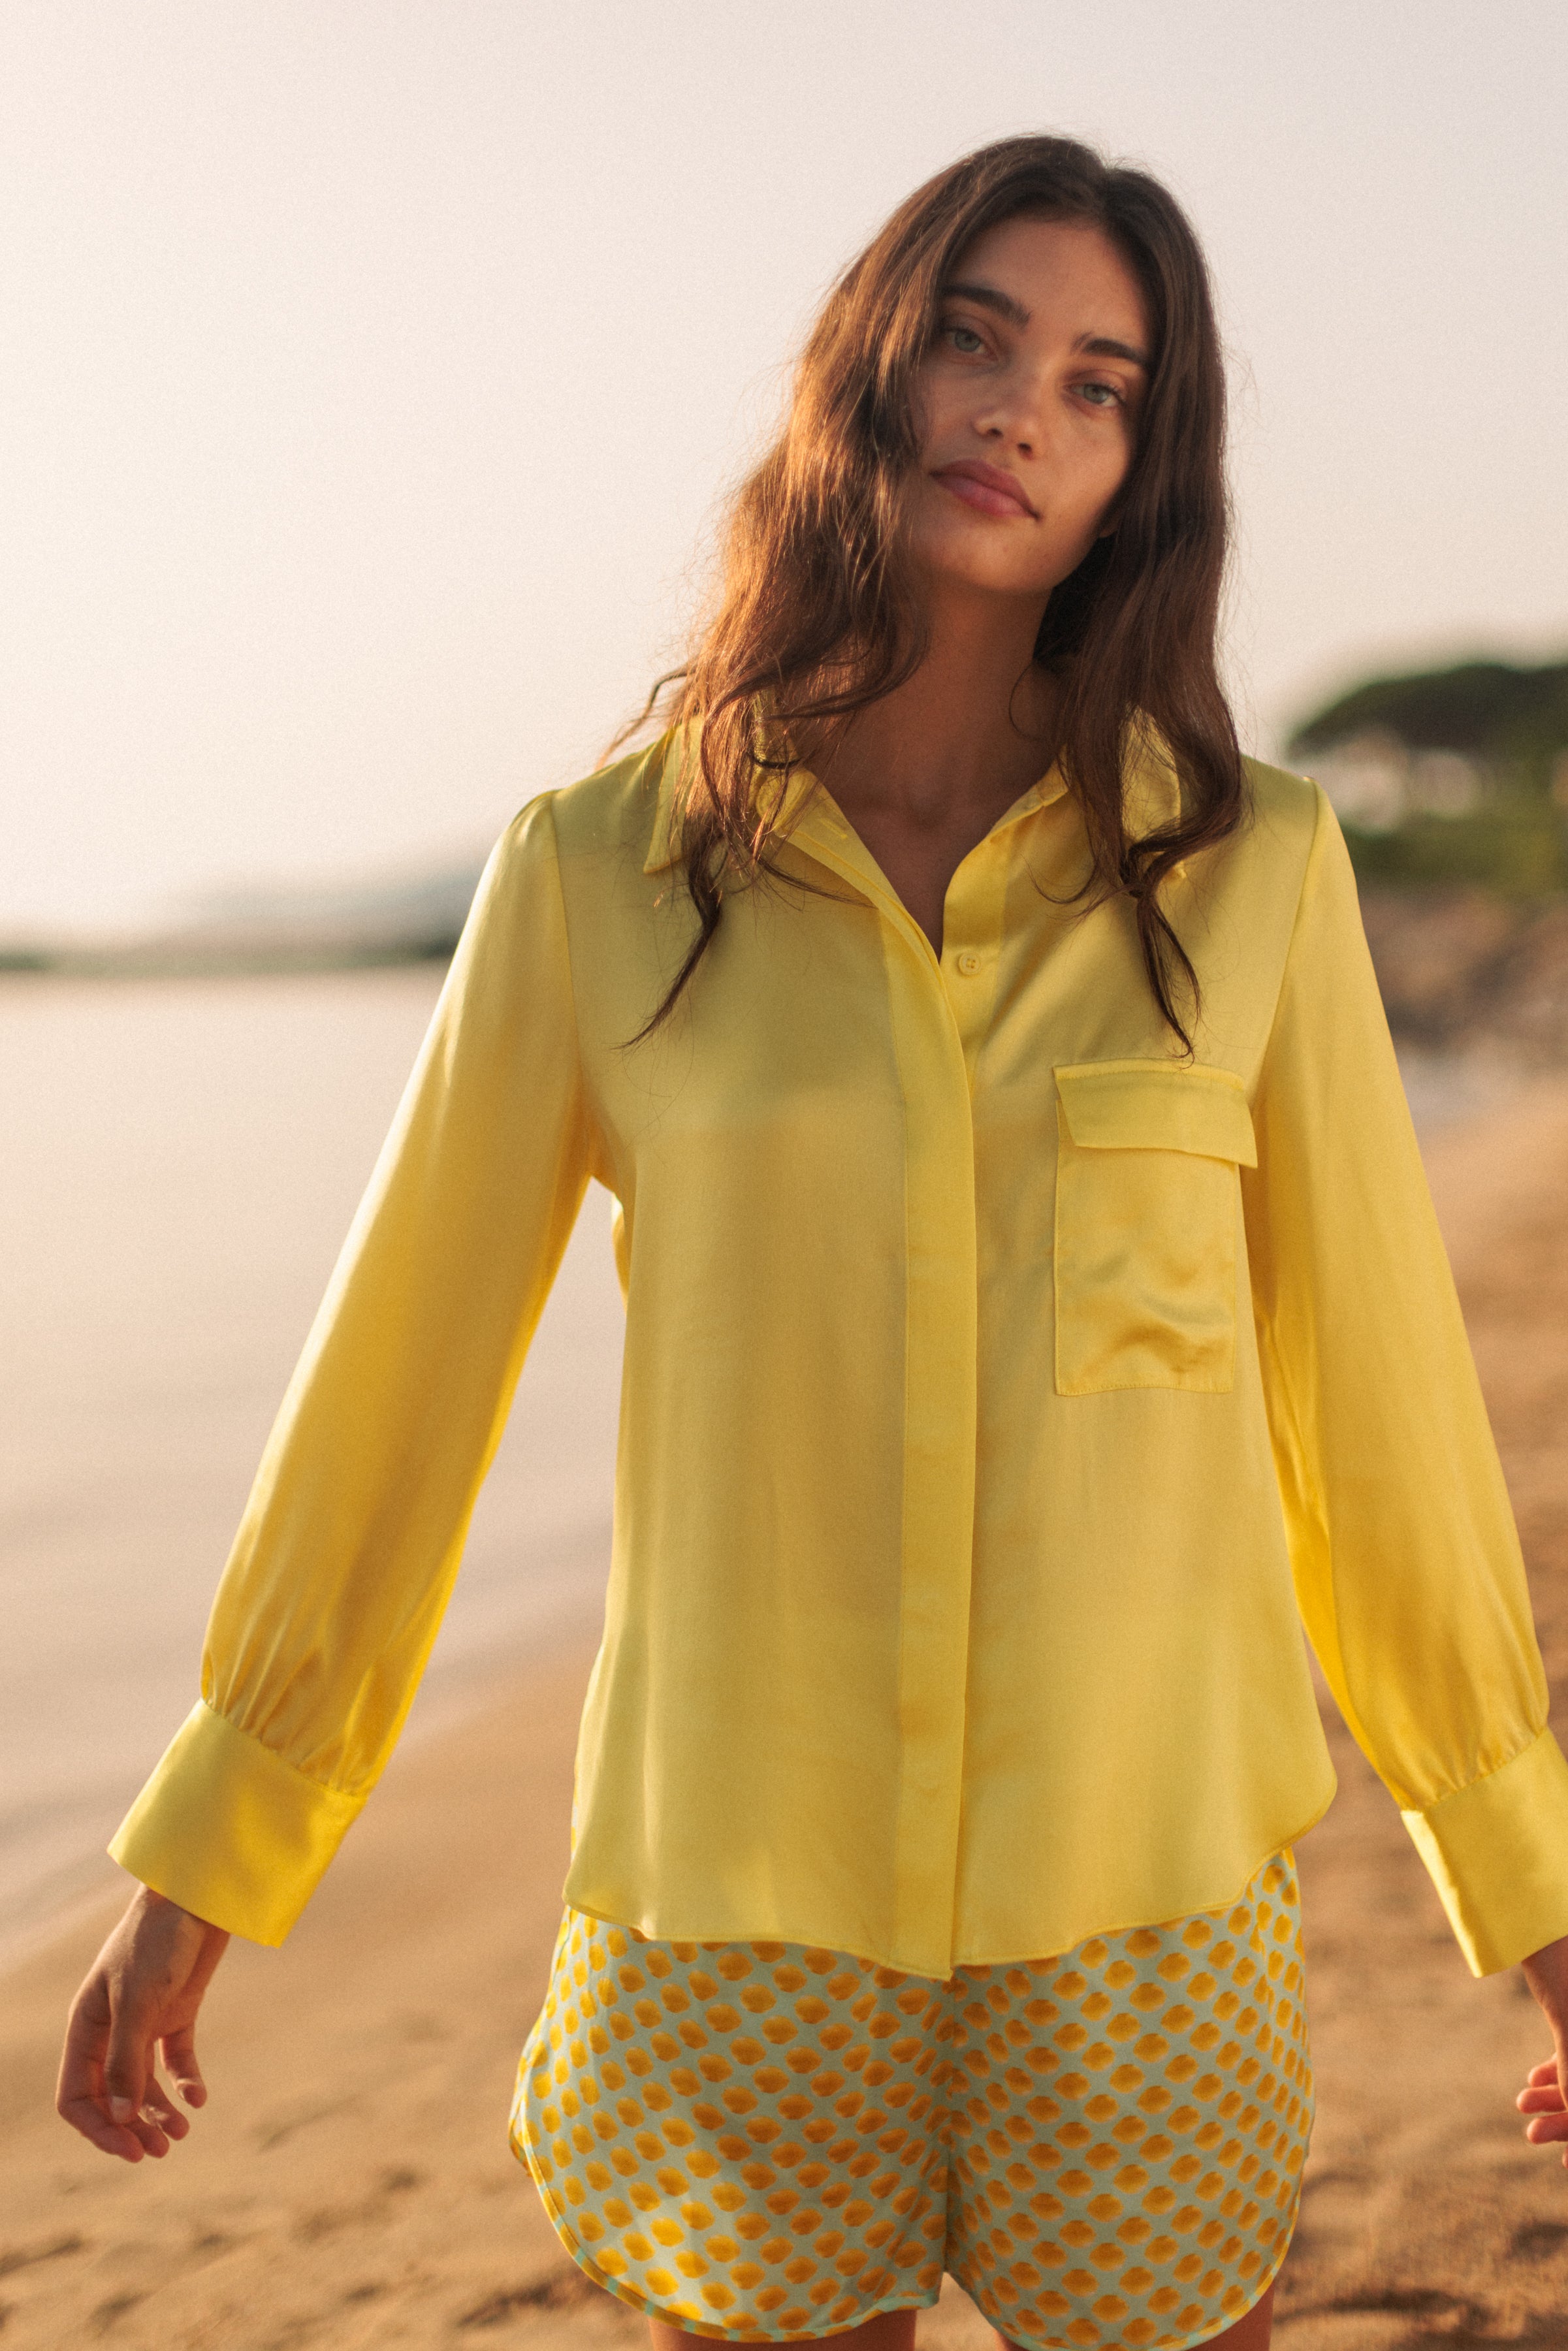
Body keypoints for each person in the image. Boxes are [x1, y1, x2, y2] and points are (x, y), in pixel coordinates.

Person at [55, 133, 1568, 2351]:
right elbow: (401, 1383)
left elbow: (1379, 1413)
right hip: (734, 1904)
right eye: (971, 334)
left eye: (1096, 379)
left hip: (1141, 1916)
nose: (1017, 406)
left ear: (1140, 470)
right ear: (867, 367)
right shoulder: (598, 874)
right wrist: (211, 1855)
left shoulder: (1256, 876)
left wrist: (1522, 1881)